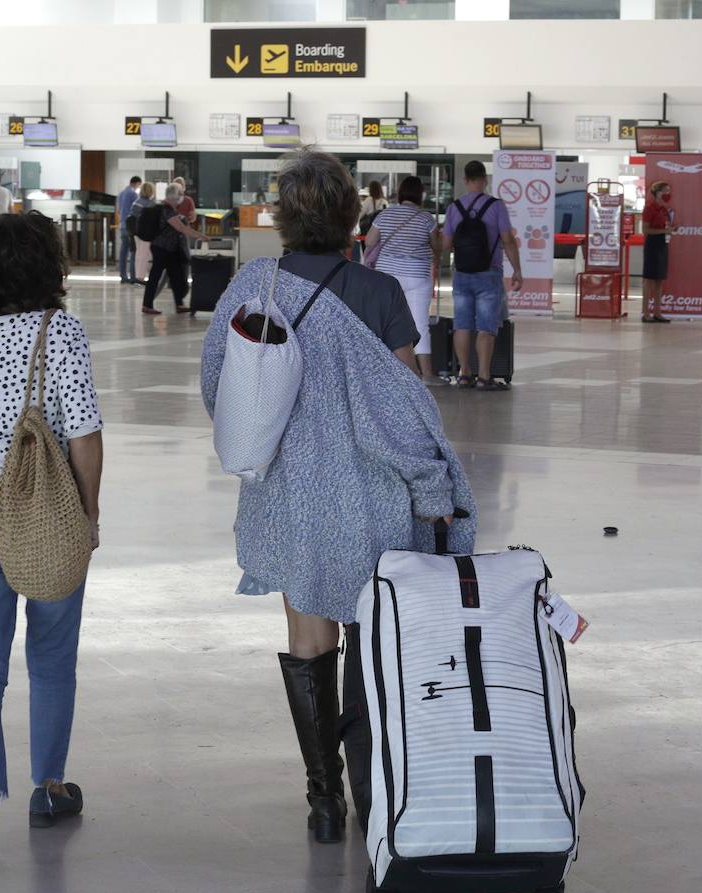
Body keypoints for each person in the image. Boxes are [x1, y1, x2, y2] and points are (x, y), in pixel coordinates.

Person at [199, 147, 475, 846]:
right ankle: (374, 786)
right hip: (375, 498)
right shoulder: (378, 295)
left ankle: (324, 803)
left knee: (309, 637)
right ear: (354, 218)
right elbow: (406, 409)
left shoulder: (251, 287)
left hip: (290, 495)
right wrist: (436, 489)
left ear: (282, 219)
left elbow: (218, 388)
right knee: (374, 635)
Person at [0, 210, 104, 871]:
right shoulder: (58, 330)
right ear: (50, 265)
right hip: (46, 507)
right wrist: (89, 515)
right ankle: (51, 787)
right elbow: (85, 434)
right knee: (52, 657)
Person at [441, 160, 522, 391]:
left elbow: (446, 244)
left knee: (462, 324)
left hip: (462, 273)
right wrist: (517, 269)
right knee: (486, 326)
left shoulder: (454, 208)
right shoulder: (496, 206)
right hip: (489, 273)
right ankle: (484, 377)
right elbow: (507, 240)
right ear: (485, 180)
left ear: (465, 180)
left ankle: (464, 373)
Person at [365, 175, 441, 380]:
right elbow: (437, 247)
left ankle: (381, 371)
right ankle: (426, 373)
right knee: (419, 324)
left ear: (400, 194)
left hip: (386, 276)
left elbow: (371, 240)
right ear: (420, 195)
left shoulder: (386, 214)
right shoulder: (426, 219)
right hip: (417, 275)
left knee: (383, 322)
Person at [140, 182, 209, 316]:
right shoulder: (166, 210)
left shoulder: (168, 209)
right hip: (162, 248)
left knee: (176, 276)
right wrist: (201, 236)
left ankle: (179, 304)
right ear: (174, 196)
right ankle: (147, 305)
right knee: (155, 276)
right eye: (179, 196)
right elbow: (181, 228)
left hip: (170, 249)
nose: (180, 200)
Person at [641, 180, 674, 324]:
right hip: (652, 244)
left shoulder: (664, 209)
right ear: (657, 192)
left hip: (663, 243)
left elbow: (666, 226)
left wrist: (670, 230)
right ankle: (646, 313)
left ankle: (657, 312)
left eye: (669, 191)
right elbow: (645, 230)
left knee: (659, 280)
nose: (668, 194)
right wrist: (664, 230)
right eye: (665, 191)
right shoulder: (650, 208)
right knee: (649, 279)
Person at [116, 175, 143, 284]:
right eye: (139, 185)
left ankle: (123, 276)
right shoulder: (133, 194)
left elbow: (118, 210)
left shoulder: (121, 194)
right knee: (133, 251)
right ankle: (133, 277)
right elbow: (136, 211)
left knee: (123, 252)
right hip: (131, 226)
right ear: (136, 183)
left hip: (122, 225)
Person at [132, 181, 156, 285]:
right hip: (146, 233)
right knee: (145, 255)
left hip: (136, 232)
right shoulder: (151, 204)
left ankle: (138, 276)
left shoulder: (136, 202)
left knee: (139, 255)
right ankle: (140, 277)